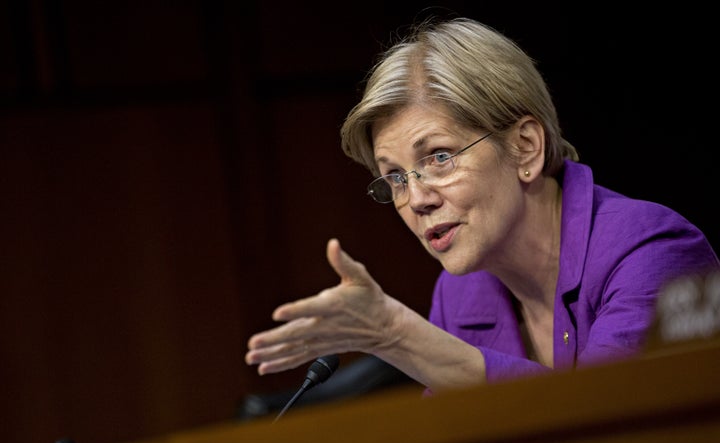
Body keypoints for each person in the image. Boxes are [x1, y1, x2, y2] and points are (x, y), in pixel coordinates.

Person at [245, 16, 719, 392]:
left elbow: (615, 429)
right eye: (394, 177)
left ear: (525, 147)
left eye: (440, 157)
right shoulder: (459, 296)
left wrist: (396, 334)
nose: (416, 200)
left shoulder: (652, 251)